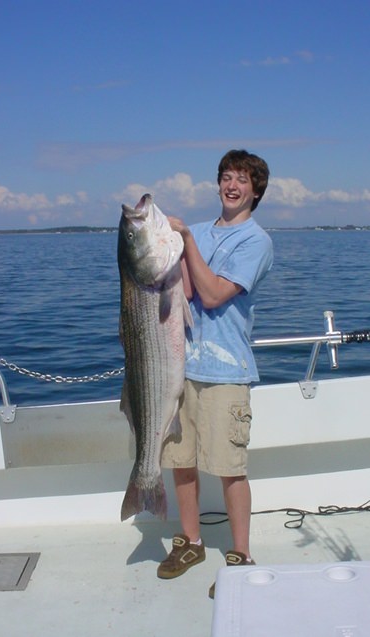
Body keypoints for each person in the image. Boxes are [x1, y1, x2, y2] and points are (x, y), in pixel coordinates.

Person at [158, 149, 273, 598]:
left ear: (255, 190)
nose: (232, 185)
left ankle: (241, 554)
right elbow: (183, 289)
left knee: (229, 468)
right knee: (181, 461)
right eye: (226, 176)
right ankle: (191, 542)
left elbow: (211, 295)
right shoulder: (199, 232)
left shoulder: (256, 241)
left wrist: (185, 239)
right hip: (179, 366)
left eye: (242, 180)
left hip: (227, 369)